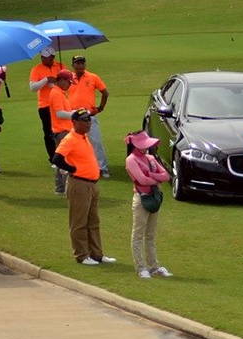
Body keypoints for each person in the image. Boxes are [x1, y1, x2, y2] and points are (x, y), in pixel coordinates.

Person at [51, 109, 115, 266]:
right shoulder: (70, 139)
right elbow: (57, 158)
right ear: (75, 122)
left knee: (93, 221)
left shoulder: (83, 137)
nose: (88, 122)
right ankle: (81, 255)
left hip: (91, 185)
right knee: (79, 222)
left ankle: (97, 254)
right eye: (85, 120)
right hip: (79, 184)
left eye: (89, 120)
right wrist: (72, 169)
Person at [124, 131, 172, 279]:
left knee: (150, 235)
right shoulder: (131, 160)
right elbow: (141, 180)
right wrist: (156, 179)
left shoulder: (150, 158)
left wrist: (151, 176)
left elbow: (166, 175)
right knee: (138, 234)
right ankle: (141, 267)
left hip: (153, 197)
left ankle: (153, 266)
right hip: (141, 199)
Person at [66, 54, 110, 176]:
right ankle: (75, 167)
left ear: (85, 64)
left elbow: (105, 93)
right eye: (77, 63)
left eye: (82, 63)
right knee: (72, 142)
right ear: (73, 65)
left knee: (96, 142)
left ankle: (102, 168)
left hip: (88, 115)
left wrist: (100, 108)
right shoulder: (68, 78)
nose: (80, 65)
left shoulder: (93, 77)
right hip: (73, 116)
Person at [45, 69, 76, 194]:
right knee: (65, 160)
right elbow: (59, 113)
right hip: (62, 131)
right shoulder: (56, 93)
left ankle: (60, 188)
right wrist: (74, 115)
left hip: (63, 130)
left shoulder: (60, 92)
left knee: (61, 160)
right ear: (62, 81)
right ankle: (64, 188)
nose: (70, 85)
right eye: (69, 82)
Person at [29, 48, 63, 159]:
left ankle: (63, 154)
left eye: (46, 58)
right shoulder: (37, 69)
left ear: (52, 57)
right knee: (48, 132)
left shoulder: (60, 66)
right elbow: (33, 87)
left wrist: (56, 81)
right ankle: (53, 157)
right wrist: (46, 80)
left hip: (60, 103)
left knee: (62, 130)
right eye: (42, 57)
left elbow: (68, 82)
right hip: (45, 105)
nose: (43, 59)